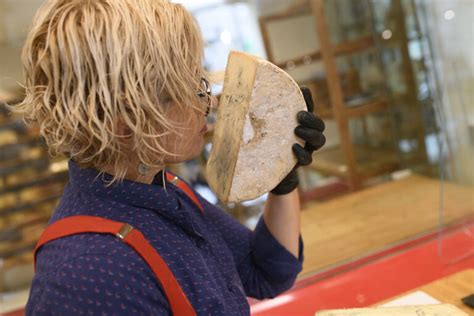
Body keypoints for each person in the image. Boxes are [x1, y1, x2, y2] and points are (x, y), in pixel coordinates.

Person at [13, 0, 325, 315]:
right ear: (126, 116)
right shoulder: (86, 275)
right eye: (188, 89)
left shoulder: (163, 189)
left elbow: (266, 271)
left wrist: (281, 176)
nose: (206, 104)